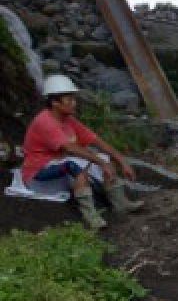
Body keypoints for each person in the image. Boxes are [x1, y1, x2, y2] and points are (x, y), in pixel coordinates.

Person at [21, 75, 144, 230]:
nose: (74, 103)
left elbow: (96, 141)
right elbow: (69, 148)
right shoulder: (44, 121)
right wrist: (102, 163)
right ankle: (91, 217)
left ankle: (120, 204)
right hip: (38, 175)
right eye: (69, 100)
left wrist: (121, 160)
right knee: (76, 165)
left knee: (101, 157)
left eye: (74, 99)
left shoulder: (68, 120)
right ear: (54, 102)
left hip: (59, 166)